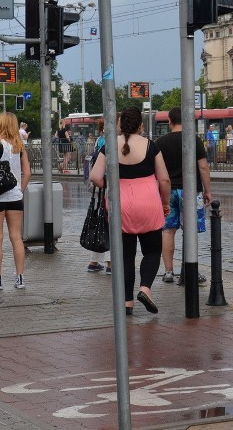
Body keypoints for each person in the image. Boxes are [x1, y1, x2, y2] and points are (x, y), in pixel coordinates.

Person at [90, 106, 171, 316]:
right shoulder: (151, 146)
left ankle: (127, 302)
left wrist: (112, 183)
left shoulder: (109, 146)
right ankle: (145, 288)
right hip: (148, 204)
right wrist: (165, 202)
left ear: (120, 125)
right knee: (152, 251)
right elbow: (164, 179)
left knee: (126, 256)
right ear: (141, 126)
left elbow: (95, 177)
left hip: (119, 205)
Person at [155, 107, 212, 285]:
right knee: (190, 230)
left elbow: (156, 170)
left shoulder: (161, 142)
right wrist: (207, 190)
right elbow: (203, 166)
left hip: (168, 191)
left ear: (170, 122)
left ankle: (169, 272)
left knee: (168, 231)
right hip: (190, 191)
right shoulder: (193, 140)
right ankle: (191, 271)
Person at [0, 112, 32, 290]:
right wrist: (19, 189)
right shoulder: (19, 146)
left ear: (1, 125)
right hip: (15, 197)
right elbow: (28, 173)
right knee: (16, 238)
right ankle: (20, 279)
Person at [86, 118, 112, 274]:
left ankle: (94, 261)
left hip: (98, 187)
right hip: (107, 186)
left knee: (100, 222)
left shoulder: (98, 141)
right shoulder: (110, 142)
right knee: (108, 224)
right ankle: (110, 263)